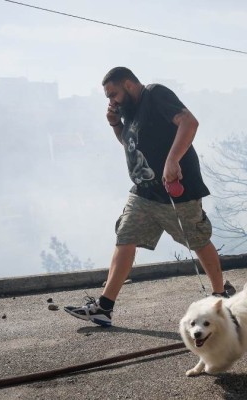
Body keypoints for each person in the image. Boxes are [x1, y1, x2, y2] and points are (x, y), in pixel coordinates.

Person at [65, 67, 233, 327]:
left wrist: (172, 160)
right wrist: (115, 124)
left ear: (130, 85)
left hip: (176, 191)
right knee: (125, 237)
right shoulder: (127, 110)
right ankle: (104, 307)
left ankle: (221, 295)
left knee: (198, 240)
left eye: (114, 94)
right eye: (108, 97)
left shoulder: (155, 94)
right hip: (143, 193)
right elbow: (130, 144)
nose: (111, 101)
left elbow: (190, 122)